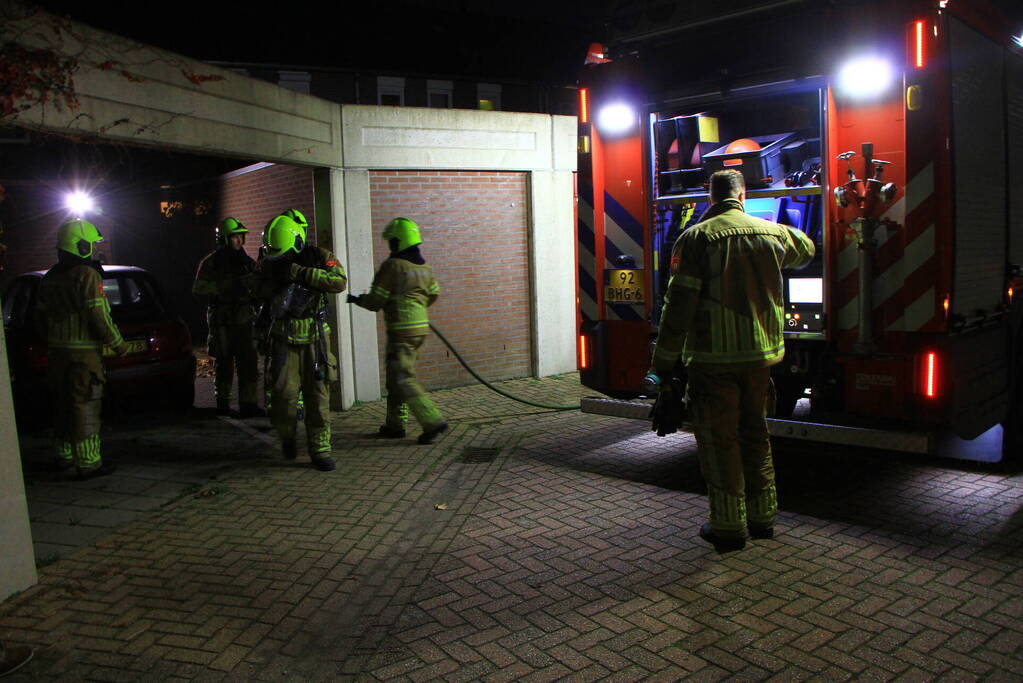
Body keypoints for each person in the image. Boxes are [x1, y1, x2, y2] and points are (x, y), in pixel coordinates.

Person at [650, 170, 815, 551]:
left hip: (713, 360)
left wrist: (662, 365)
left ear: (710, 197)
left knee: (720, 440)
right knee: (755, 435)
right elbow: (806, 248)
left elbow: (679, 307)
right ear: (744, 195)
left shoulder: (696, 238)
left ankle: (727, 527)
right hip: (760, 358)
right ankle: (763, 518)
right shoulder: (771, 232)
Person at [35, 219, 129, 479]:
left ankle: (63, 455)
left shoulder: (51, 276)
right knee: (85, 406)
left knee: (63, 406)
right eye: (92, 245)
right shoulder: (87, 275)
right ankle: (89, 462)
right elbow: (98, 314)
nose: (95, 251)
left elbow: (39, 316)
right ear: (81, 246)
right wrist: (118, 344)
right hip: (83, 355)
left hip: (57, 354)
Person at [253, 211, 346, 471]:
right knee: (283, 396)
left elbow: (339, 282)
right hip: (283, 337)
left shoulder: (321, 257)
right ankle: (287, 437)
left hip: (316, 339)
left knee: (318, 397)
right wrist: (270, 276)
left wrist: (299, 272)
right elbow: (256, 291)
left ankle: (320, 450)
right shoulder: (268, 260)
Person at [349, 217, 448, 444]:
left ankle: (432, 420)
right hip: (419, 329)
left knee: (403, 377)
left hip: (401, 330)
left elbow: (376, 301)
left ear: (398, 242)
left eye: (392, 241)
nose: (390, 246)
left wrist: (357, 300)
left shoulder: (393, 266)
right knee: (396, 377)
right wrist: (418, 309)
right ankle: (395, 425)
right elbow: (433, 294)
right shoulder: (423, 267)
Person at [192, 217, 262, 417]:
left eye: (241, 237)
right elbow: (198, 289)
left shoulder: (247, 262)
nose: (239, 241)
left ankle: (249, 404)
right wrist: (224, 286)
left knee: (248, 362)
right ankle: (222, 403)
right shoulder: (210, 263)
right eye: (234, 237)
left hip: (245, 319)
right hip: (222, 320)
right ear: (223, 239)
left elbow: (258, 288)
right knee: (223, 363)